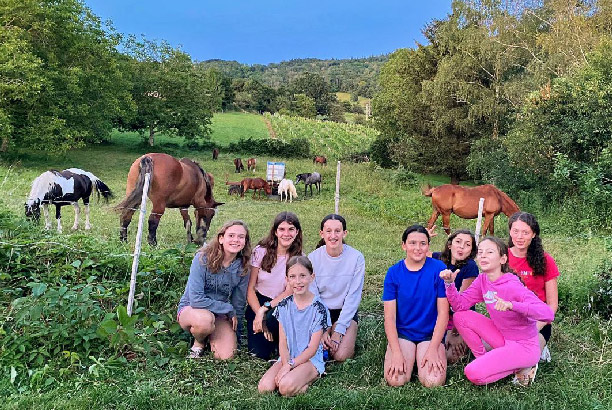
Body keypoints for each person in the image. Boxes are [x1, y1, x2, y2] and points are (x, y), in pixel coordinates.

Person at [441, 236, 554, 386]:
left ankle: (523, 365)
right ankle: (484, 359)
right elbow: (459, 306)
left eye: (489, 252)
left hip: (523, 346)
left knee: (472, 373)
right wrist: (449, 285)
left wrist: (513, 305)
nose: (483, 256)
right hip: (503, 337)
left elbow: (548, 314)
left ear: (502, 259)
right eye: (480, 252)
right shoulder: (483, 280)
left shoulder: (512, 285)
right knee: (461, 317)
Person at [383, 224, 448, 387]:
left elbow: (443, 314)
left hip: (430, 335)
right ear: (404, 245)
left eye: (423, 243)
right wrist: (396, 352)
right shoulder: (393, 273)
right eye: (412, 243)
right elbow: (389, 318)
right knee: (395, 380)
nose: (418, 248)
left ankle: (424, 356)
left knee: (433, 381)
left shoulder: (439, 269)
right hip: (404, 334)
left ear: (428, 246)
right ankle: (406, 355)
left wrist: (433, 348)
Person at [176, 220, 251, 360]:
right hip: (192, 309)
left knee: (225, 356)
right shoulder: (202, 258)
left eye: (241, 237)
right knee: (205, 320)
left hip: (219, 314)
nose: (236, 240)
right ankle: (199, 342)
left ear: (245, 242)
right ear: (221, 238)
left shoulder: (243, 267)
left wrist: (237, 334)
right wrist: (227, 308)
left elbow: (238, 303)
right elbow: (196, 299)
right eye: (231, 235)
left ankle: (212, 335)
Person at [258, 256, 331, 397]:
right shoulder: (284, 305)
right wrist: (285, 363)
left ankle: (313, 376)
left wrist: (290, 366)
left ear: (312, 277)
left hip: (310, 359)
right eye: (292, 276)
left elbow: (312, 348)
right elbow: (283, 342)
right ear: (287, 280)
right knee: (264, 388)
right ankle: (294, 377)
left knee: (285, 388)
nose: (298, 281)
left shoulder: (319, 309)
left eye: (303, 276)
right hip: (288, 357)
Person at [308, 214, 365, 362]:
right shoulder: (312, 258)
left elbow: (353, 297)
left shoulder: (356, 258)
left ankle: (342, 330)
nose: (333, 236)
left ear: (344, 233)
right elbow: (313, 297)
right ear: (322, 233)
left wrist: (338, 331)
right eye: (328, 231)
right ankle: (327, 330)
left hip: (344, 311)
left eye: (337, 231)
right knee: (315, 349)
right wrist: (322, 328)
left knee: (341, 356)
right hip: (320, 312)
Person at [246, 211, 303, 360]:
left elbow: (289, 293)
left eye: (291, 229)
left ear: (297, 232)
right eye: (282, 229)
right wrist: (259, 313)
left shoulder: (299, 258)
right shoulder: (260, 251)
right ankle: (271, 338)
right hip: (258, 301)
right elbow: (250, 288)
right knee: (259, 353)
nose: (286, 234)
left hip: (281, 303)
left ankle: (282, 341)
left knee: (273, 318)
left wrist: (264, 311)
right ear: (275, 232)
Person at [508, 212, 559, 361]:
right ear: (510, 231)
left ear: (534, 234)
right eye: (516, 231)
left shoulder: (545, 260)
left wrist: (532, 330)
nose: (519, 237)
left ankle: (539, 347)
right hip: (508, 319)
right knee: (487, 348)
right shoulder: (501, 256)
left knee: (521, 359)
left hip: (537, 321)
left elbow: (552, 305)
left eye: (525, 232)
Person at [431, 230, 479, 363]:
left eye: (468, 244)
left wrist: (455, 333)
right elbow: (417, 254)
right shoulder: (437, 258)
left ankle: (471, 339)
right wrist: (424, 238)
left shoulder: (470, 267)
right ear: (450, 245)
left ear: (472, 250)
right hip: (438, 314)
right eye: (458, 242)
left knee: (451, 358)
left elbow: (462, 305)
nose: (462, 246)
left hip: (459, 317)